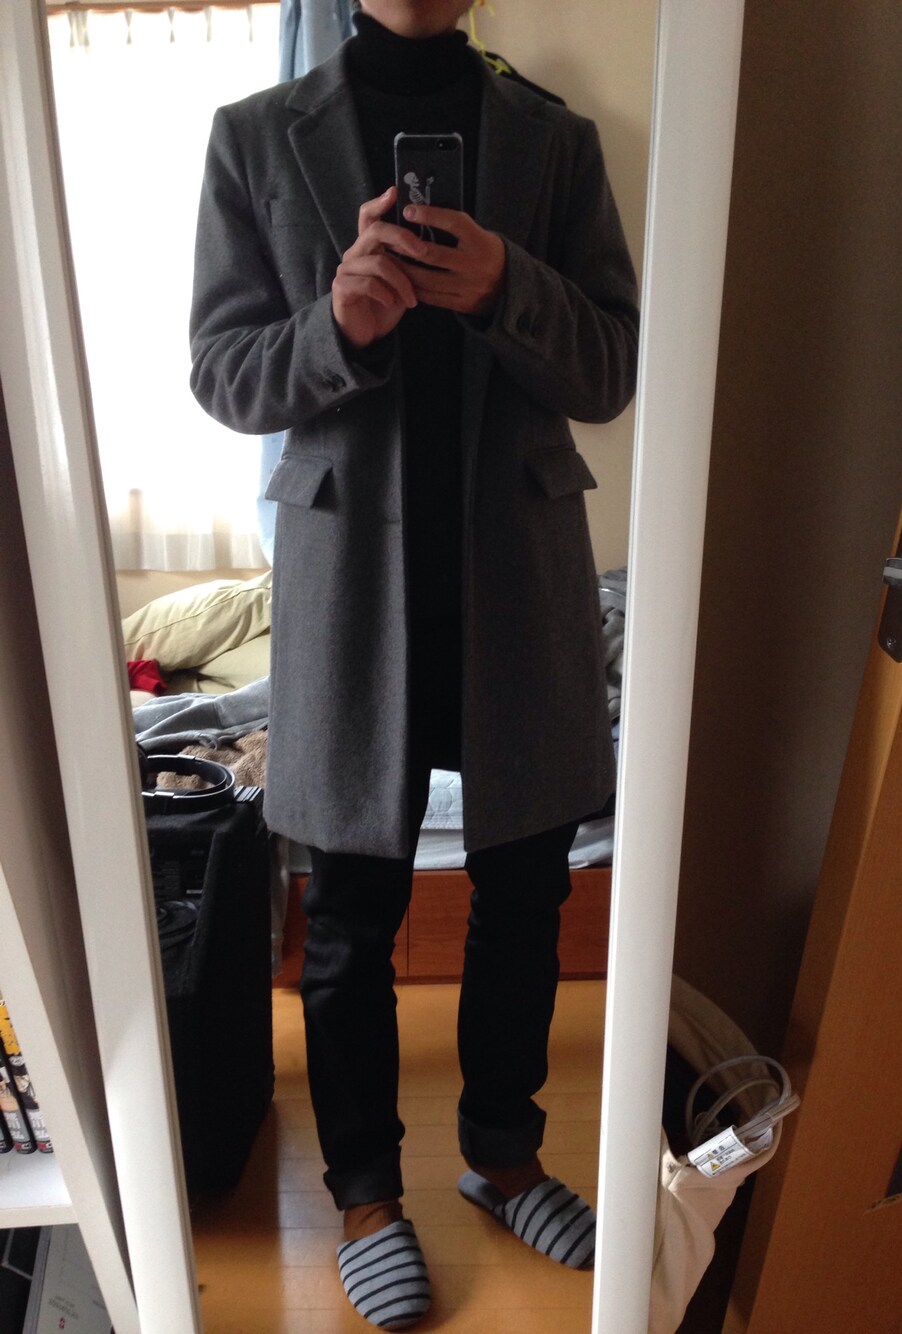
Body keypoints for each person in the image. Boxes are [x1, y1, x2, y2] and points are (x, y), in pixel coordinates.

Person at [190, 1, 638, 1327]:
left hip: (517, 579)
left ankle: (504, 1154)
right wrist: (334, 326)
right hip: (351, 590)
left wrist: (507, 287)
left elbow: (611, 366)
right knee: (347, 910)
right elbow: (223, 374)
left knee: (527, 888)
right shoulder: (254, 137)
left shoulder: (556, 142)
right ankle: (366, 1196)